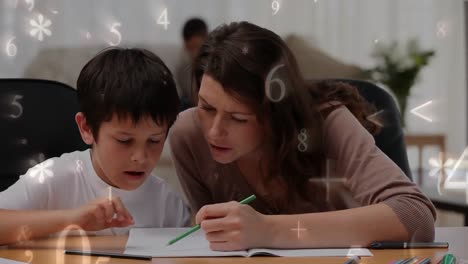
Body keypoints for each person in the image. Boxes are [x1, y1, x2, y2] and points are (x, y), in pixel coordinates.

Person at [169, 21, 436, 251]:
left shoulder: (328, 122)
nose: (214, 131)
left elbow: (415, 216)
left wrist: (268, 230)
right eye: (206, 107)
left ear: (275, 113)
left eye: (238, 118)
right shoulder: (188, 134)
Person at [0, 47, 190, 245]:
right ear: (87, 128)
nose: (140, 158)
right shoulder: (52, 179)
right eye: (124, 141)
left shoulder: (168, 204)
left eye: (154, 140)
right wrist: (72, 219)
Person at [175, 18, 208, 111]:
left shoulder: (218, 63)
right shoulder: (183, 69)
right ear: (185, 45)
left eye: (197, 47)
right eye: (190, 48)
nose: (194, 53)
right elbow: (196, 101)